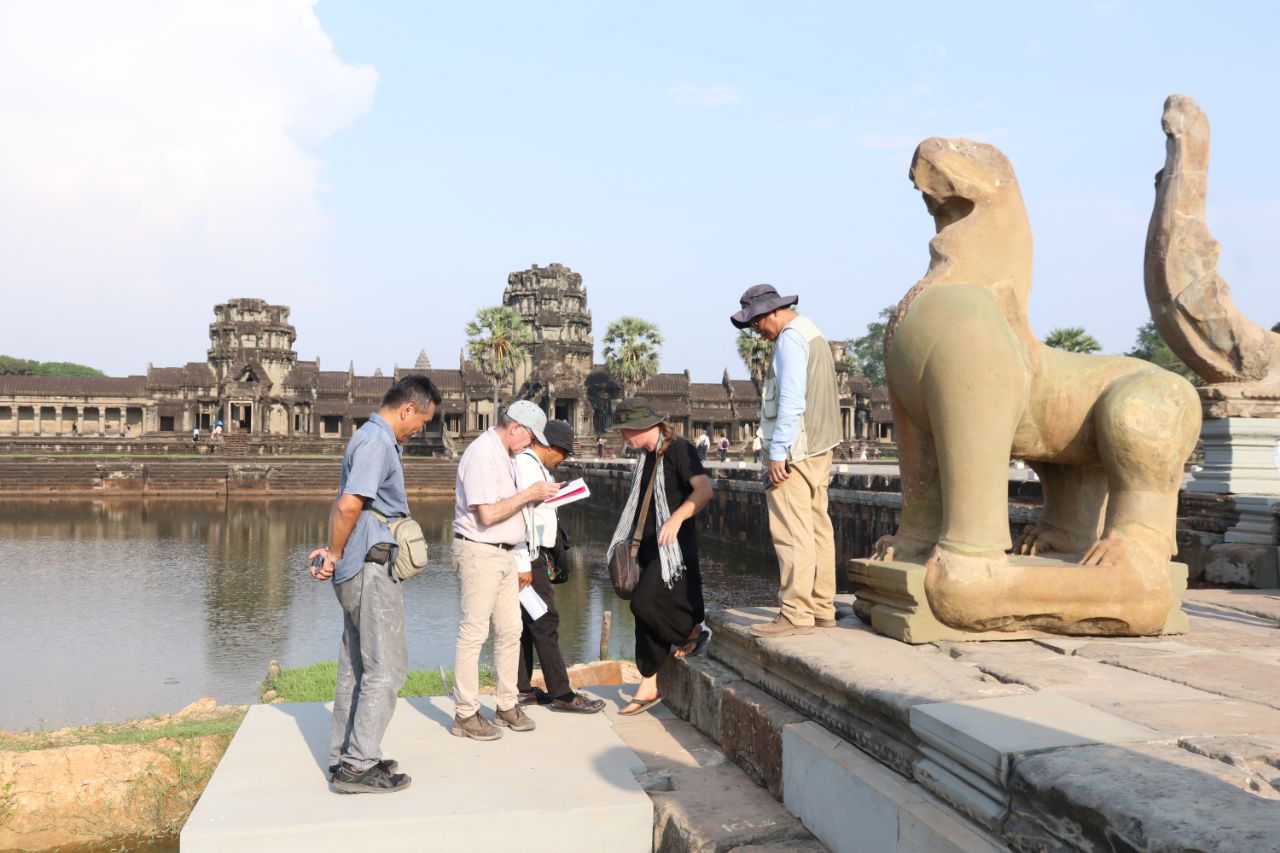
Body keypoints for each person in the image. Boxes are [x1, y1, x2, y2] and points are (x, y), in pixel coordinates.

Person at [307, 375, 441, 794]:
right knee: (386, 668)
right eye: (422, 420)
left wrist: (335, 550)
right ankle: (358, 765)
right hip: (370, 568)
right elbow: (349, 504)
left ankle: (346, 755)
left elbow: (347, 502)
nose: (420, 429)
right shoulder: (377, 443)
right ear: (407, 409)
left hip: (358, 561)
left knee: (358, 667)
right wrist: (333, 551)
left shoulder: (369, 437)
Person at [730, 284, 842, 638]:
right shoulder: (813, 333)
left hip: (796, 450)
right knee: (817, 526)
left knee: (792, 531)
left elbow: (792, 399)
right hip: (820, 447)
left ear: (773, 312)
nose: (757, 331)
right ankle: (822, 607)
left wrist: (778, 452)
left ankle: (795, 612)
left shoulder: (790, 340)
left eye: (757, 322)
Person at [452, 400, 561, 741]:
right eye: (530, 438)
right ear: (515, 428)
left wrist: (533, 499)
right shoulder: (484, 453)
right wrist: (529, 494)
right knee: (474, 632)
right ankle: (465, 712)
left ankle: (507, 703)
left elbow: (506, 507)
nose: (530, 445)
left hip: (505, 552)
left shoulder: (506, 455)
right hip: (480, 551)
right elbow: (487, 514)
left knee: (511, 630)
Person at [607, 398, 712, 716]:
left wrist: (677, 518)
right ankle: (648, 683)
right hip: (648, 546)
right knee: (642, 614)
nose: (622, 437)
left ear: (642, 426)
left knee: (643, 603)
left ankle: (691, 632)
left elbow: (704, 490)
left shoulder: (678, 448)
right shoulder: (646, 456)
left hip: (673, 551)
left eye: (625, 431)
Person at [514, 420, 606, 714]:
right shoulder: (526, 465)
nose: (563, 459)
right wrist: (523, 561)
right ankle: (562, 693)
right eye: (564, 453)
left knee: (526, 621)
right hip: (528, 554)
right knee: (545, 621)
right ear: (551, 446)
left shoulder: (536, 466)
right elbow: (520, 514)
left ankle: (522, 688)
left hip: (533, 553)